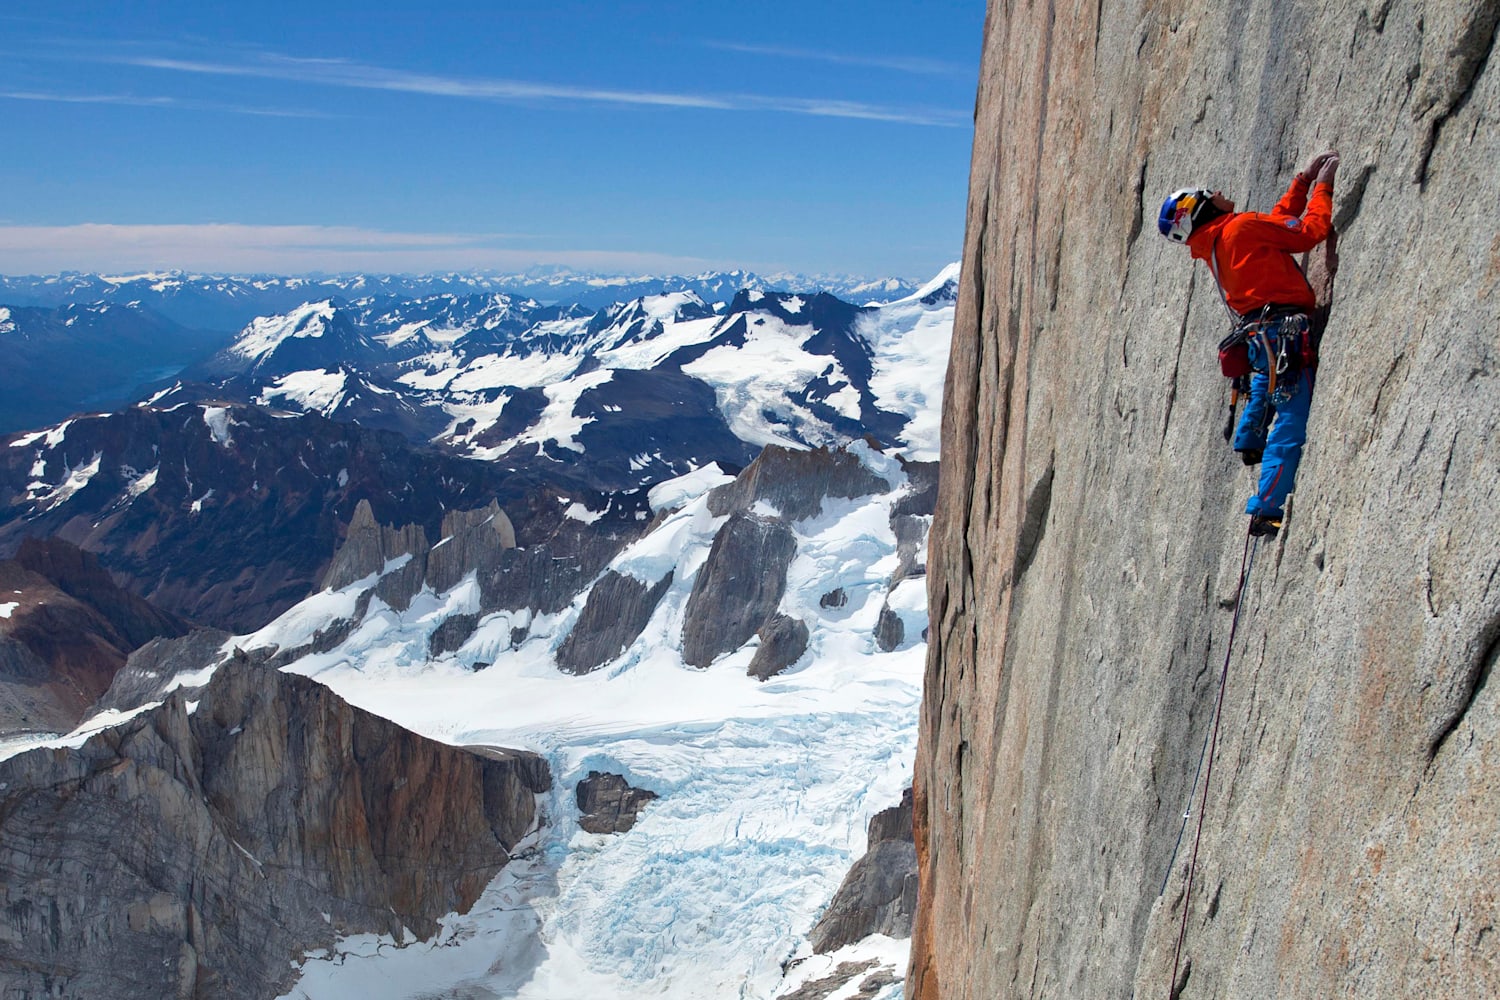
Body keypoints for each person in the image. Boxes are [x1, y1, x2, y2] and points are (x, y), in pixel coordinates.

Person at [1157, 150, 1339, 538]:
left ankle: (1249, 436)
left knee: (1267, 384)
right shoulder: (1238, 228)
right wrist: (1323, 188)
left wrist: (1302, 182)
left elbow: (1272, 227)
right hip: (1284, 333)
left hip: (1263, 335)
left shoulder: (1216, 244)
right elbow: (1307, 233)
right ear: (1203, 208)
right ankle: (1266, 508)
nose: (1220, 191)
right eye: (1211, 193)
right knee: (1290, 420)